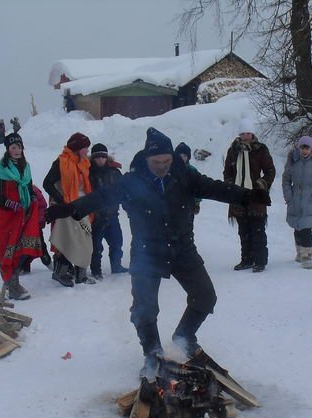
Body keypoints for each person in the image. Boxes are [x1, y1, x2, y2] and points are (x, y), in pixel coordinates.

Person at [45, 127, 269, 378]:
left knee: (205, 297)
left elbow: (216, 188)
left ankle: (184, 336)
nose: (163, 166)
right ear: (147, 159)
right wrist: (70, 209)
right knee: (144, 309)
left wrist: (249, 196)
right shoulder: (132, 181)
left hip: (182, 248)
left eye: (167, 161)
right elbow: (102, 197)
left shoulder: (184, 176)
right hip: (147, 251)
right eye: (157, 162)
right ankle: (152, 353)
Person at [0, 133, 42, 300]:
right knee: (7, 248)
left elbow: (30, 187)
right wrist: (9, 203)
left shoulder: (26, 167)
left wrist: (32, 197)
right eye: (13, 148)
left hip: (24, 213)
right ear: (8, 150)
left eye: (19, 147)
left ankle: (12, 279)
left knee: (24, 246)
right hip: (6, 216)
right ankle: (12, 282)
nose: (17, 150)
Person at [223, 117, 276, 272]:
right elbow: (227, 169)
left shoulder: (261, 149)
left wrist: (262, 183)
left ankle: (260, 261)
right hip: (238, 195)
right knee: (243, 231)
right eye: (243, 133)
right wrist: (229, 183)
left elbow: (270, 170)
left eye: (248, 133)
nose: (245, 136)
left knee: (257, 229)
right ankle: (246, 259)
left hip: (256, 195)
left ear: (252, 134)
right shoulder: (233, 149)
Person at [42, 132, 95, 286]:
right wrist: (61, 201)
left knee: (84, 238)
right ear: (77, 148)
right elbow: (47, 183)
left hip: (81, 205)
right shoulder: (61, 162)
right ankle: (60, 272)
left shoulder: (83, 162)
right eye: (85, 147)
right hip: (65, 207)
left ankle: (81, 274)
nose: (87, 151)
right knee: (67, 240)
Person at [281, 135, 312, 269]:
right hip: (295, 200)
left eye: (307, 148)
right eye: (302, 147)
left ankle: (307, 256)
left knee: (306, 229)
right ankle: (299, 252)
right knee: (297, 228)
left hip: (310, 201)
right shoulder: (292, 161)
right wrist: (288, 196)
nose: (304, 151)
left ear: (311, 149)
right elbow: (286, 180)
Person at [88, 143, 127, 279]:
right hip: (96, 217)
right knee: (96, 247)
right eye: (97, 157)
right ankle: (96, 270)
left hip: (112, 215)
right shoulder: (88, 172)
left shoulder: (114, 172)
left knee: (117, 242)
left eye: (103, 157)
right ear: (92, 158)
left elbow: (123, 189)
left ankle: (116, 265)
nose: (100, 160)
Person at [175, 142, 201, 216]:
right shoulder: (170, 169)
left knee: (186, 225)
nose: (182, 158)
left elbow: (198, 187)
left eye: (184, 155)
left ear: (188, 157)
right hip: (172, 206)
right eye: (180, 155)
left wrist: (197, 203)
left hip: (188, 206)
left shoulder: (192, 171)